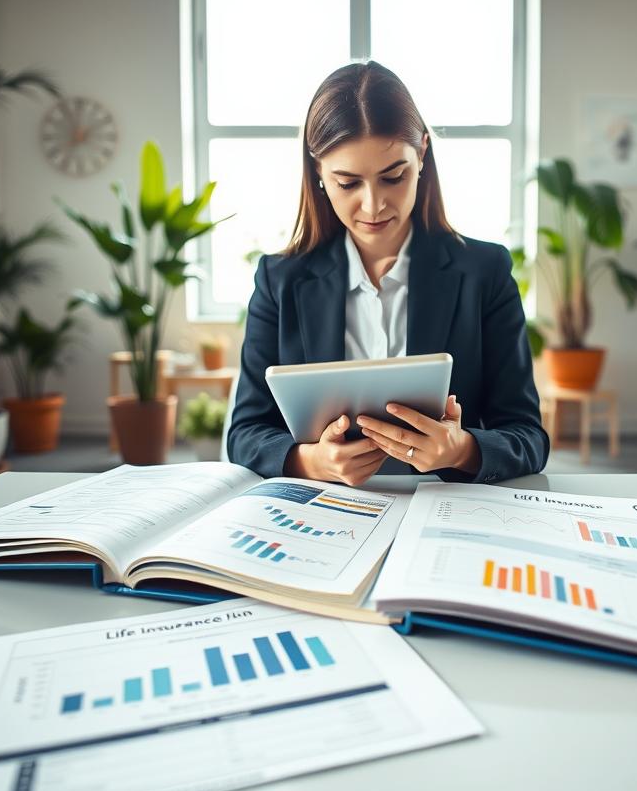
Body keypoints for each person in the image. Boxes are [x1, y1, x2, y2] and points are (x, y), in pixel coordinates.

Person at [227, 60, 549, 486]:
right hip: (325, 514)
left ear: (422, 155)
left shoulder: (484, 273)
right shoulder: (279, 279)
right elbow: (246, 433)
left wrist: (462, 450)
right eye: (348, 183)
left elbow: (528, 436)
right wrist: (310, 462)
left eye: (394, 177)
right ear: (318, 173)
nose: (374, 205)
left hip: (446, 510)